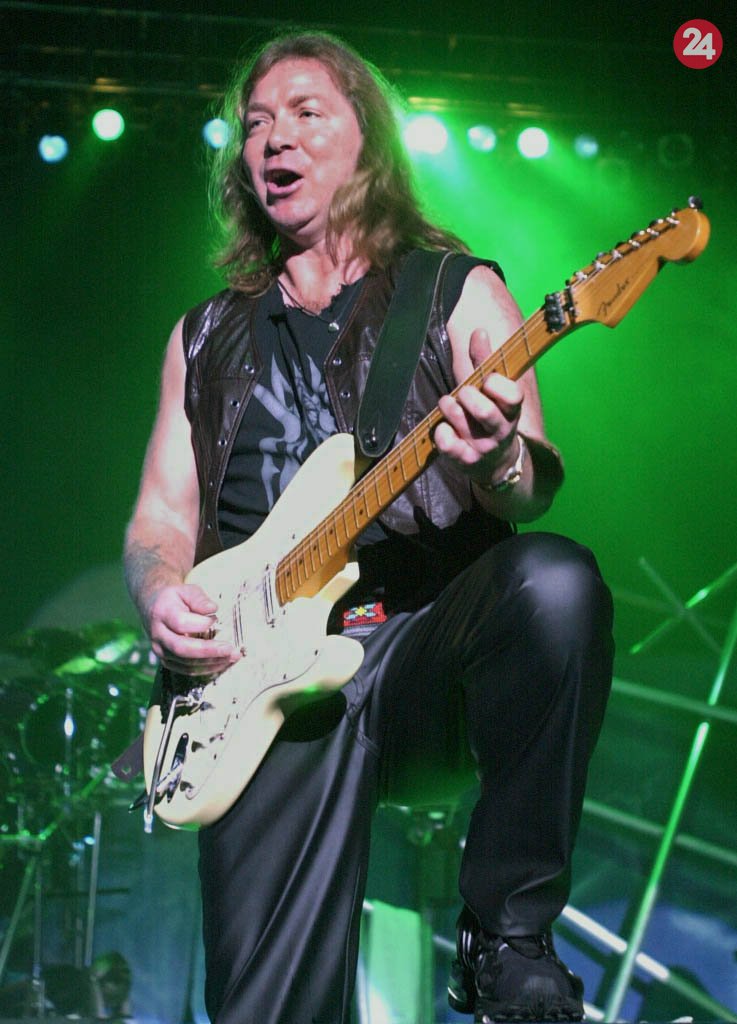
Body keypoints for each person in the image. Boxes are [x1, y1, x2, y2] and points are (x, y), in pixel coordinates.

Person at [123, 29, 614, 1024]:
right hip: (261, 677)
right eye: (256, 122)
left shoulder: (456, 289)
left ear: (369, 144)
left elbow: (528, 488)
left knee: (554, 583)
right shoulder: (202, 335)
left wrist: (496, 458)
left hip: (424, 652)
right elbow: (160, 518)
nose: (274, 137)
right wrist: (163, 592)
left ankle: (507, 935)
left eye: (306, 113)